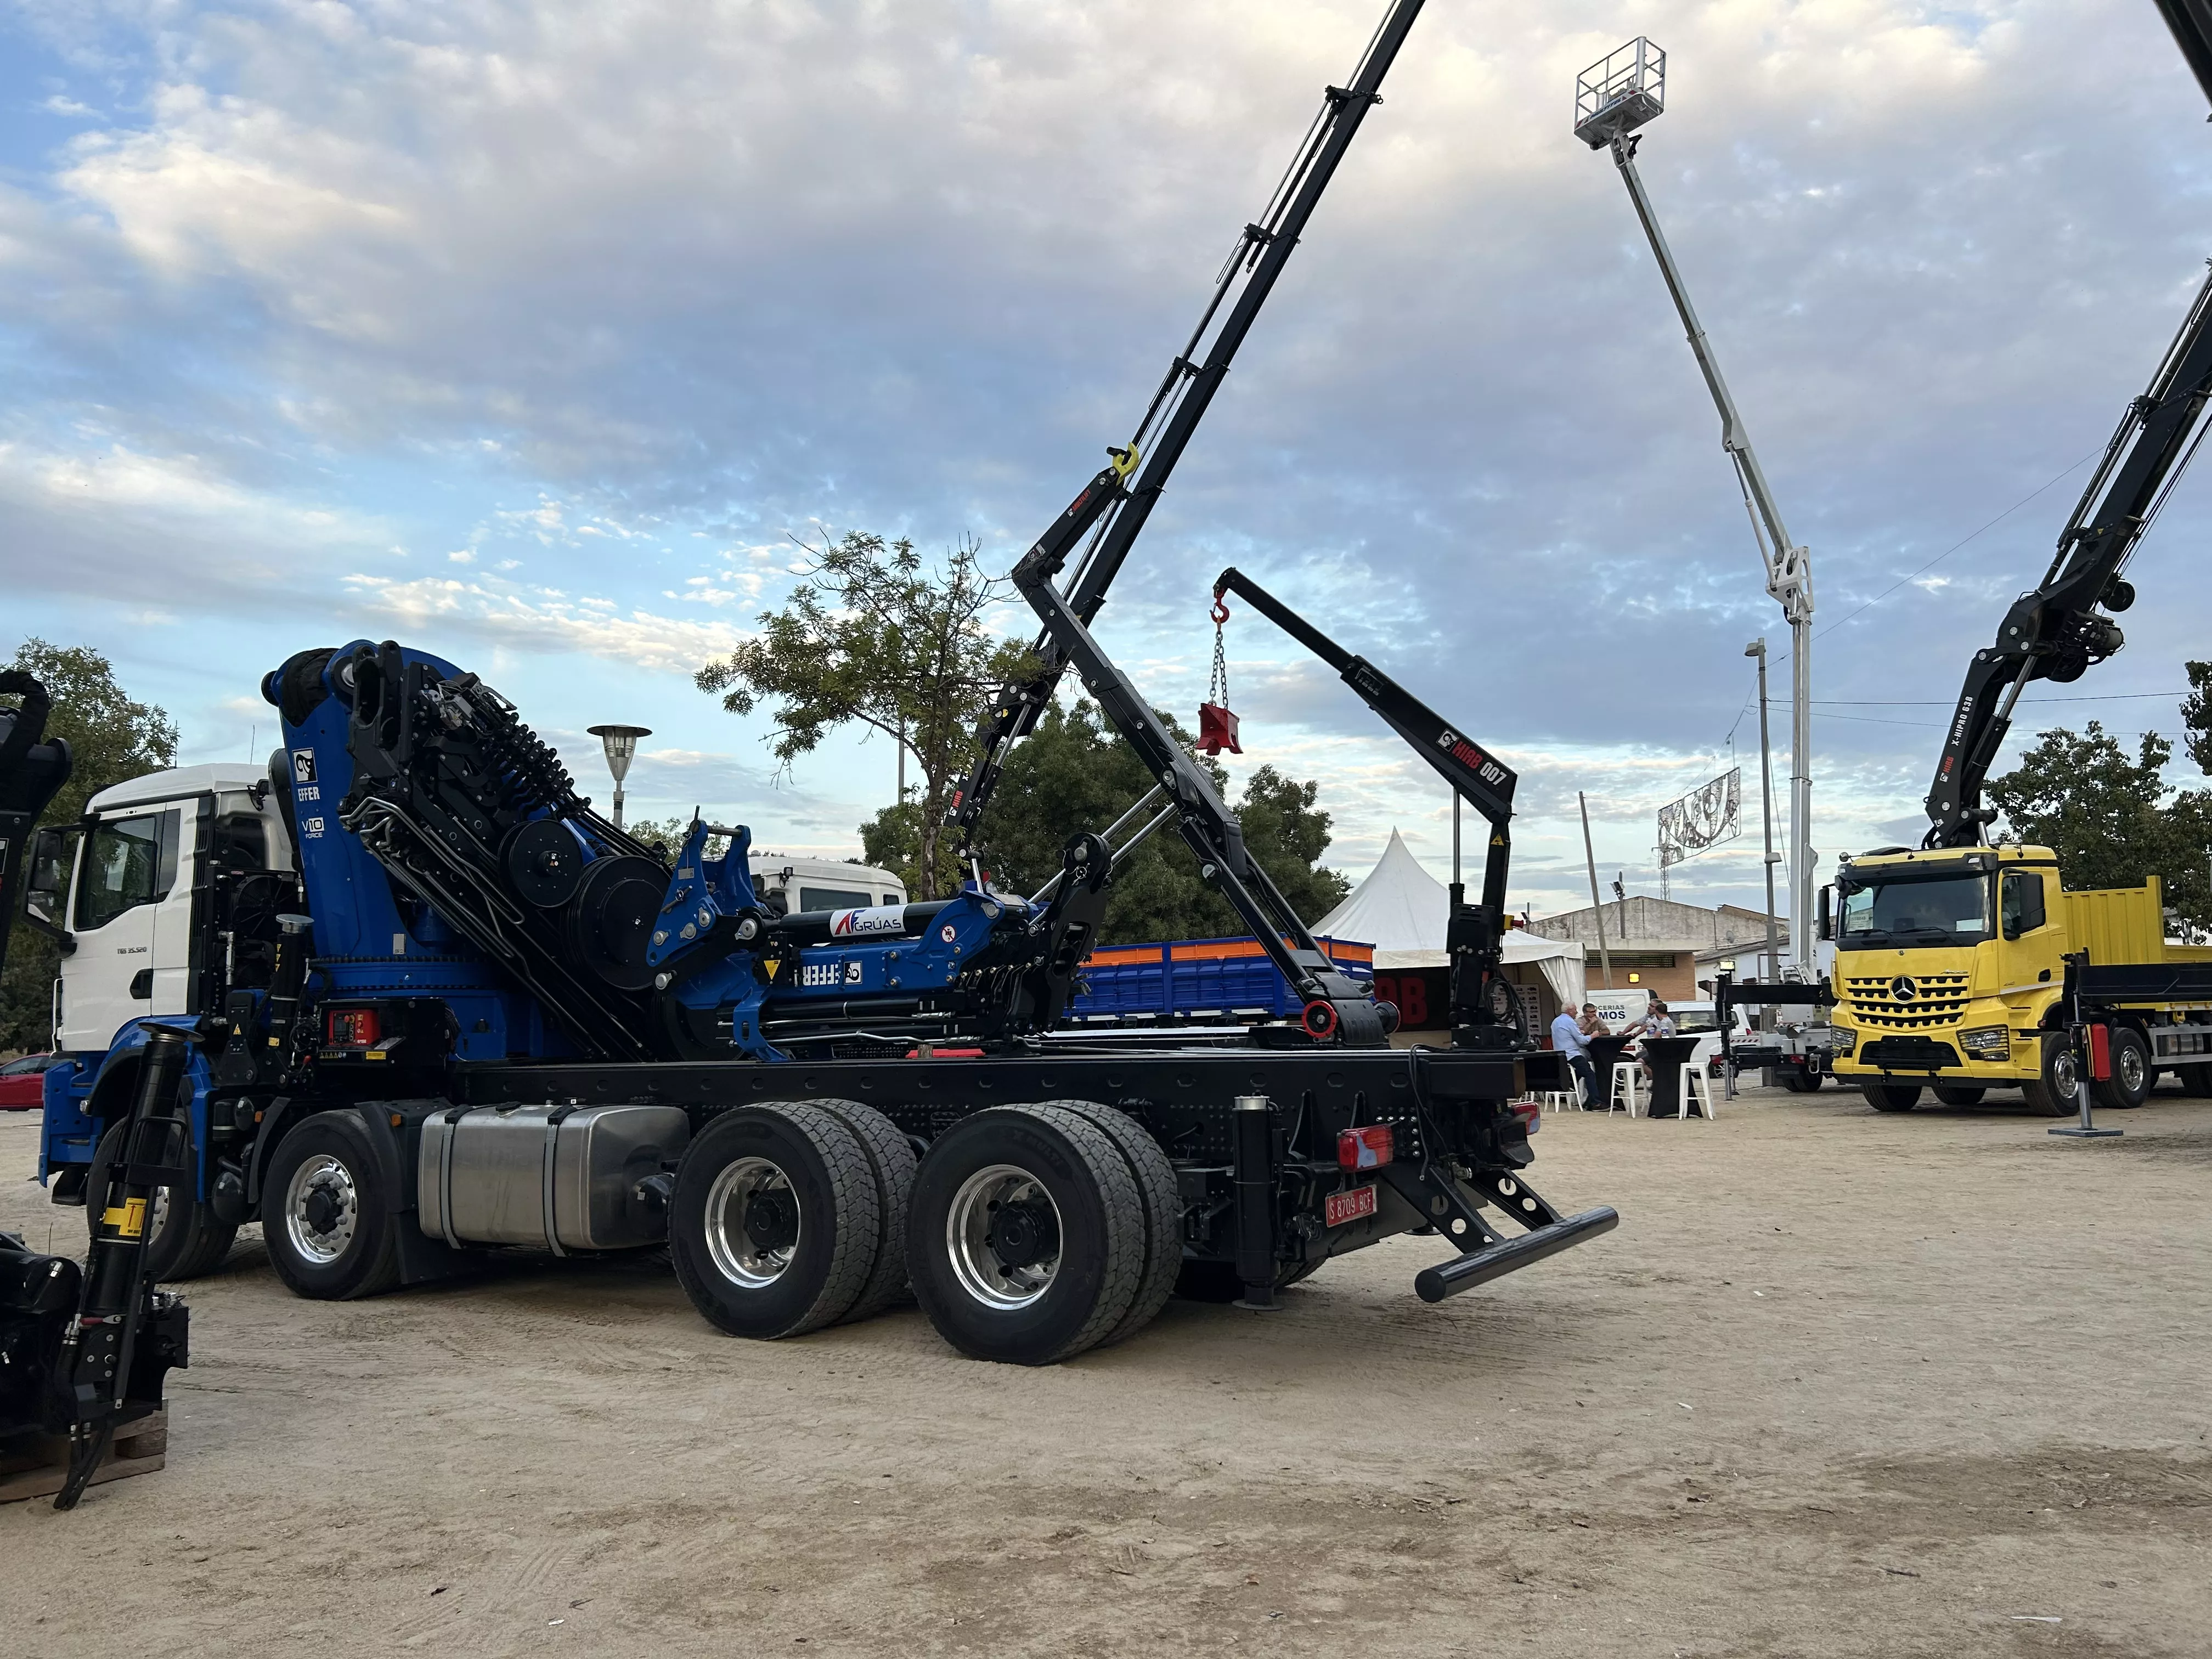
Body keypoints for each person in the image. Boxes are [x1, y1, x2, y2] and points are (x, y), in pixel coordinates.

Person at [1550, 999, 1597, 1108]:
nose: (1576, 1012)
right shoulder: (1570, 1022)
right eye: (1575, 1010)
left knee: (1582, 1069)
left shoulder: (1555, 1021)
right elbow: (1582, 1041)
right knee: (1590, 1074)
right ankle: (1595, 1102)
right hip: (1571, 1054)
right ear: (1570, 1011)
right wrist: (1593, 1036)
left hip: (1560, 1054)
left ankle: (1569, 1083)